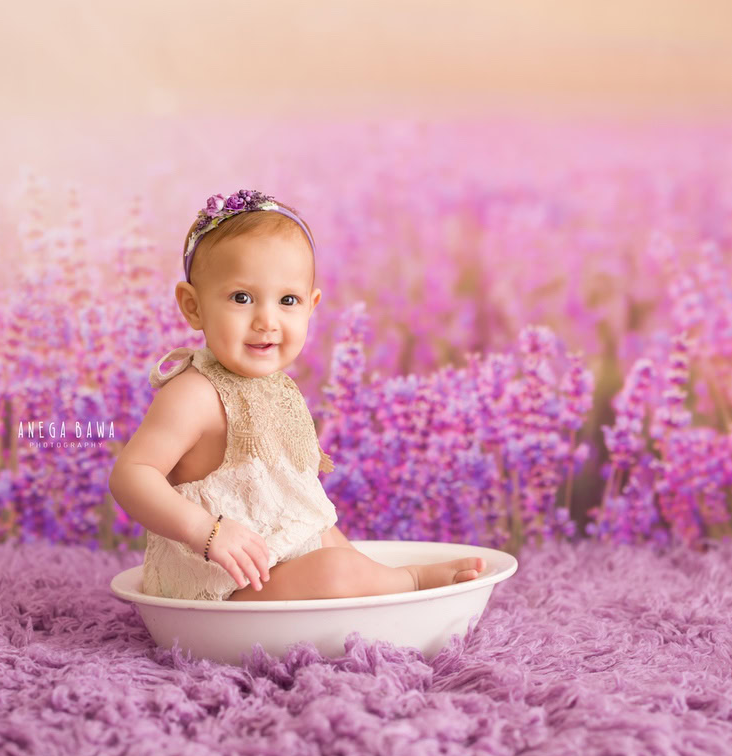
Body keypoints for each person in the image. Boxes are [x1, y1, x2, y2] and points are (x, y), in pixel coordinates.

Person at [108, 190, 485, 601]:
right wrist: (206, 530)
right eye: (241, 298)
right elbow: (131, 474)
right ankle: (409, 583)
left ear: (311, 306)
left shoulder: (276, 388)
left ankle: (383, 582)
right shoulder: (193, 393)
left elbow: (300, 505)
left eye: (288, 300)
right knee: (335, 572)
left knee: (329, 540)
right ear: (193, 306)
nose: (267, 321)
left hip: (274, 564)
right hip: (220, 583)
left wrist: (354, 562)